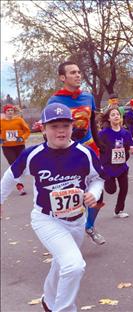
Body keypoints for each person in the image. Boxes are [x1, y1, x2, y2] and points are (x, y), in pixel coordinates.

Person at [0, 103, 105, 312]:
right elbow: (10, 177)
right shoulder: (33, 154)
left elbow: (98, 178)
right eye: (54, 126)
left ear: (72, 127)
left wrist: (93, 193)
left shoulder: (84, 153)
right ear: (43, 128)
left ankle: (48, 301)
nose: (60, 131)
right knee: (74, 266)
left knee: (62, 263)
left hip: (76, 220)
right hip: (47, 219)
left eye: (65, 125)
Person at [47, 61, 106, 245]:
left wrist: (101, 145)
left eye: (79, 72)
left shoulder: (88, 97)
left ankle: (89, 226)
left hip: (89, 150)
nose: (78, 75)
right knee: (69, 193)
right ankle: (64, 234)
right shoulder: (54, 101)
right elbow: (48, 130)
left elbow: (93, 124)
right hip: (66, 153)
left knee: (97, 192)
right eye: (73, 72)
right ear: (62, 77)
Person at [98, 107, 133, 218]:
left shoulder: (126, 132)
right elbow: (98, 149)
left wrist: (132, 150)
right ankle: (106, 183)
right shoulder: (103, 133)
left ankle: (119, 210)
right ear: (108, 119)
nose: (116, 116)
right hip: (108, 166)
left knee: (124, 188)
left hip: (122, 166)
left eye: (117, 114)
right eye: (113, 115)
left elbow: (130, 146)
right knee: (111, 190)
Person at [0, 104, 30, 195]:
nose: (10, 112)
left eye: (11, 110)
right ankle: (20, 186)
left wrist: (22, 137)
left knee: (22, 165)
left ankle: (18, 178)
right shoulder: (1, 122)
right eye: (8, 110)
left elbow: (27, 131)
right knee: (13, 165)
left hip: (19, 146)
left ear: (13, 112)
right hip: (7, 147)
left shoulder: (19, 120)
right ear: (5, 112)